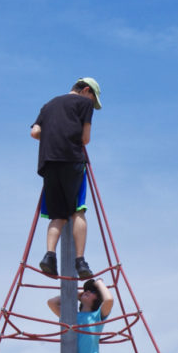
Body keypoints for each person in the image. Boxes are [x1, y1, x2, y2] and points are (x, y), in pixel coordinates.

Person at [30, 77, 102, 280]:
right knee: (78, 210)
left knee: (57, 216)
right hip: (71, 160)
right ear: (86, 90)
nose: (91, 103)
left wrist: (54, 135)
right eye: (92, 98)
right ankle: (80, 260)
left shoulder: (48, 105)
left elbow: (35, 132)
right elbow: (85, 139)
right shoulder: (84, 103)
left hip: (48, 162)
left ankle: (49, 256)